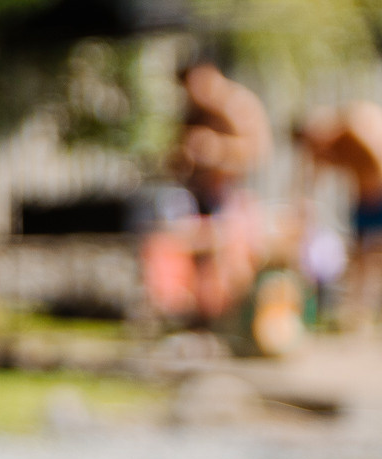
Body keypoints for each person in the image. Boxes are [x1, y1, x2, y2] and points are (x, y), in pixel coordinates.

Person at [160, 57, 272, 324]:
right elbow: (177, 156)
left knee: (231, 256)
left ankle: (235, 315)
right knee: (197, 253)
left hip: (233, 195)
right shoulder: (194, 112)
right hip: (198, 194)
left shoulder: (238, 106)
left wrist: (217, 150)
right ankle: (203, 315)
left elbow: (258, 153)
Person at [294, 100, 382, 330]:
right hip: (364, 202)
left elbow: (375, 162)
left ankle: (362, 311)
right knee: (360, 256)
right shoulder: (327, 146)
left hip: (377, 197)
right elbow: (308, 181)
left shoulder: (353, 130)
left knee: (373, 256)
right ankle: (358, 312)